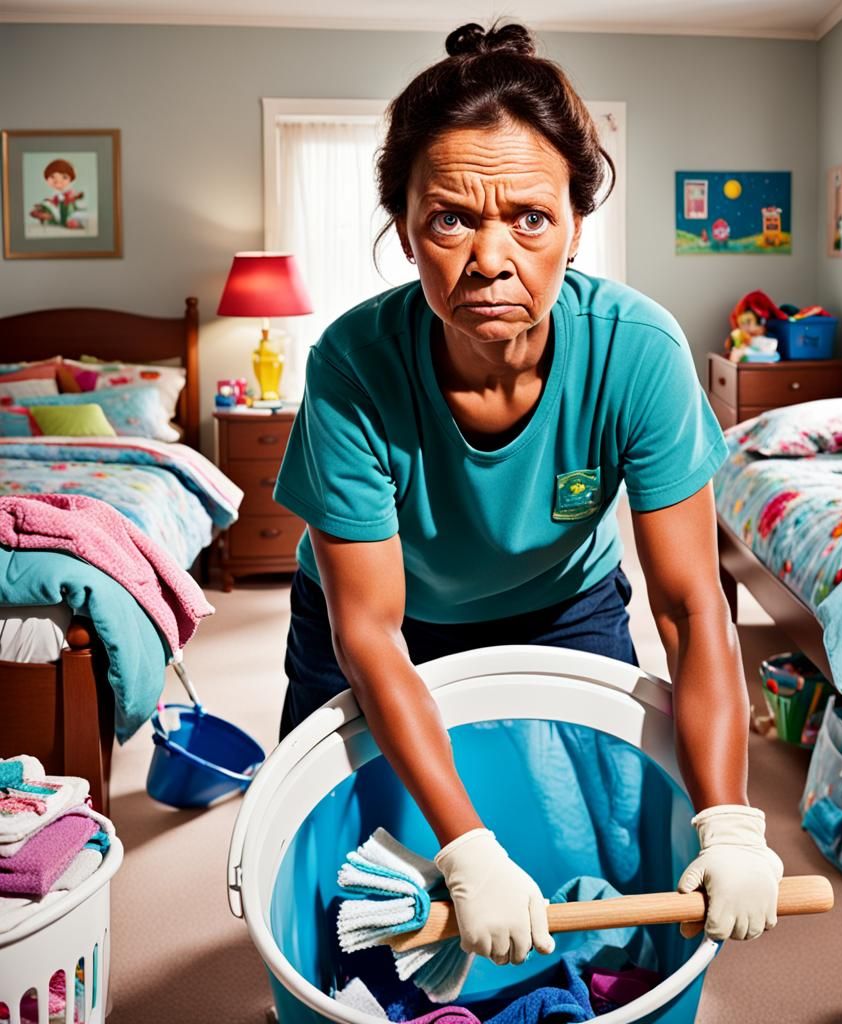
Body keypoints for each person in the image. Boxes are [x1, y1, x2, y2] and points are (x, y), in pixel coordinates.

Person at [274, 20, 783, 969]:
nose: (492, 258)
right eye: (451, 219)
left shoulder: (638, 351)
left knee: (591, 856)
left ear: (577, 225)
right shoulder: (352, 365)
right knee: (355, 867)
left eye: (531, 217)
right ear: (405, 228)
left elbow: (686, 604)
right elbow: (372, 634)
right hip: (379, 626)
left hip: (561, 610)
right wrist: (465, 853)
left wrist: (729, 822)